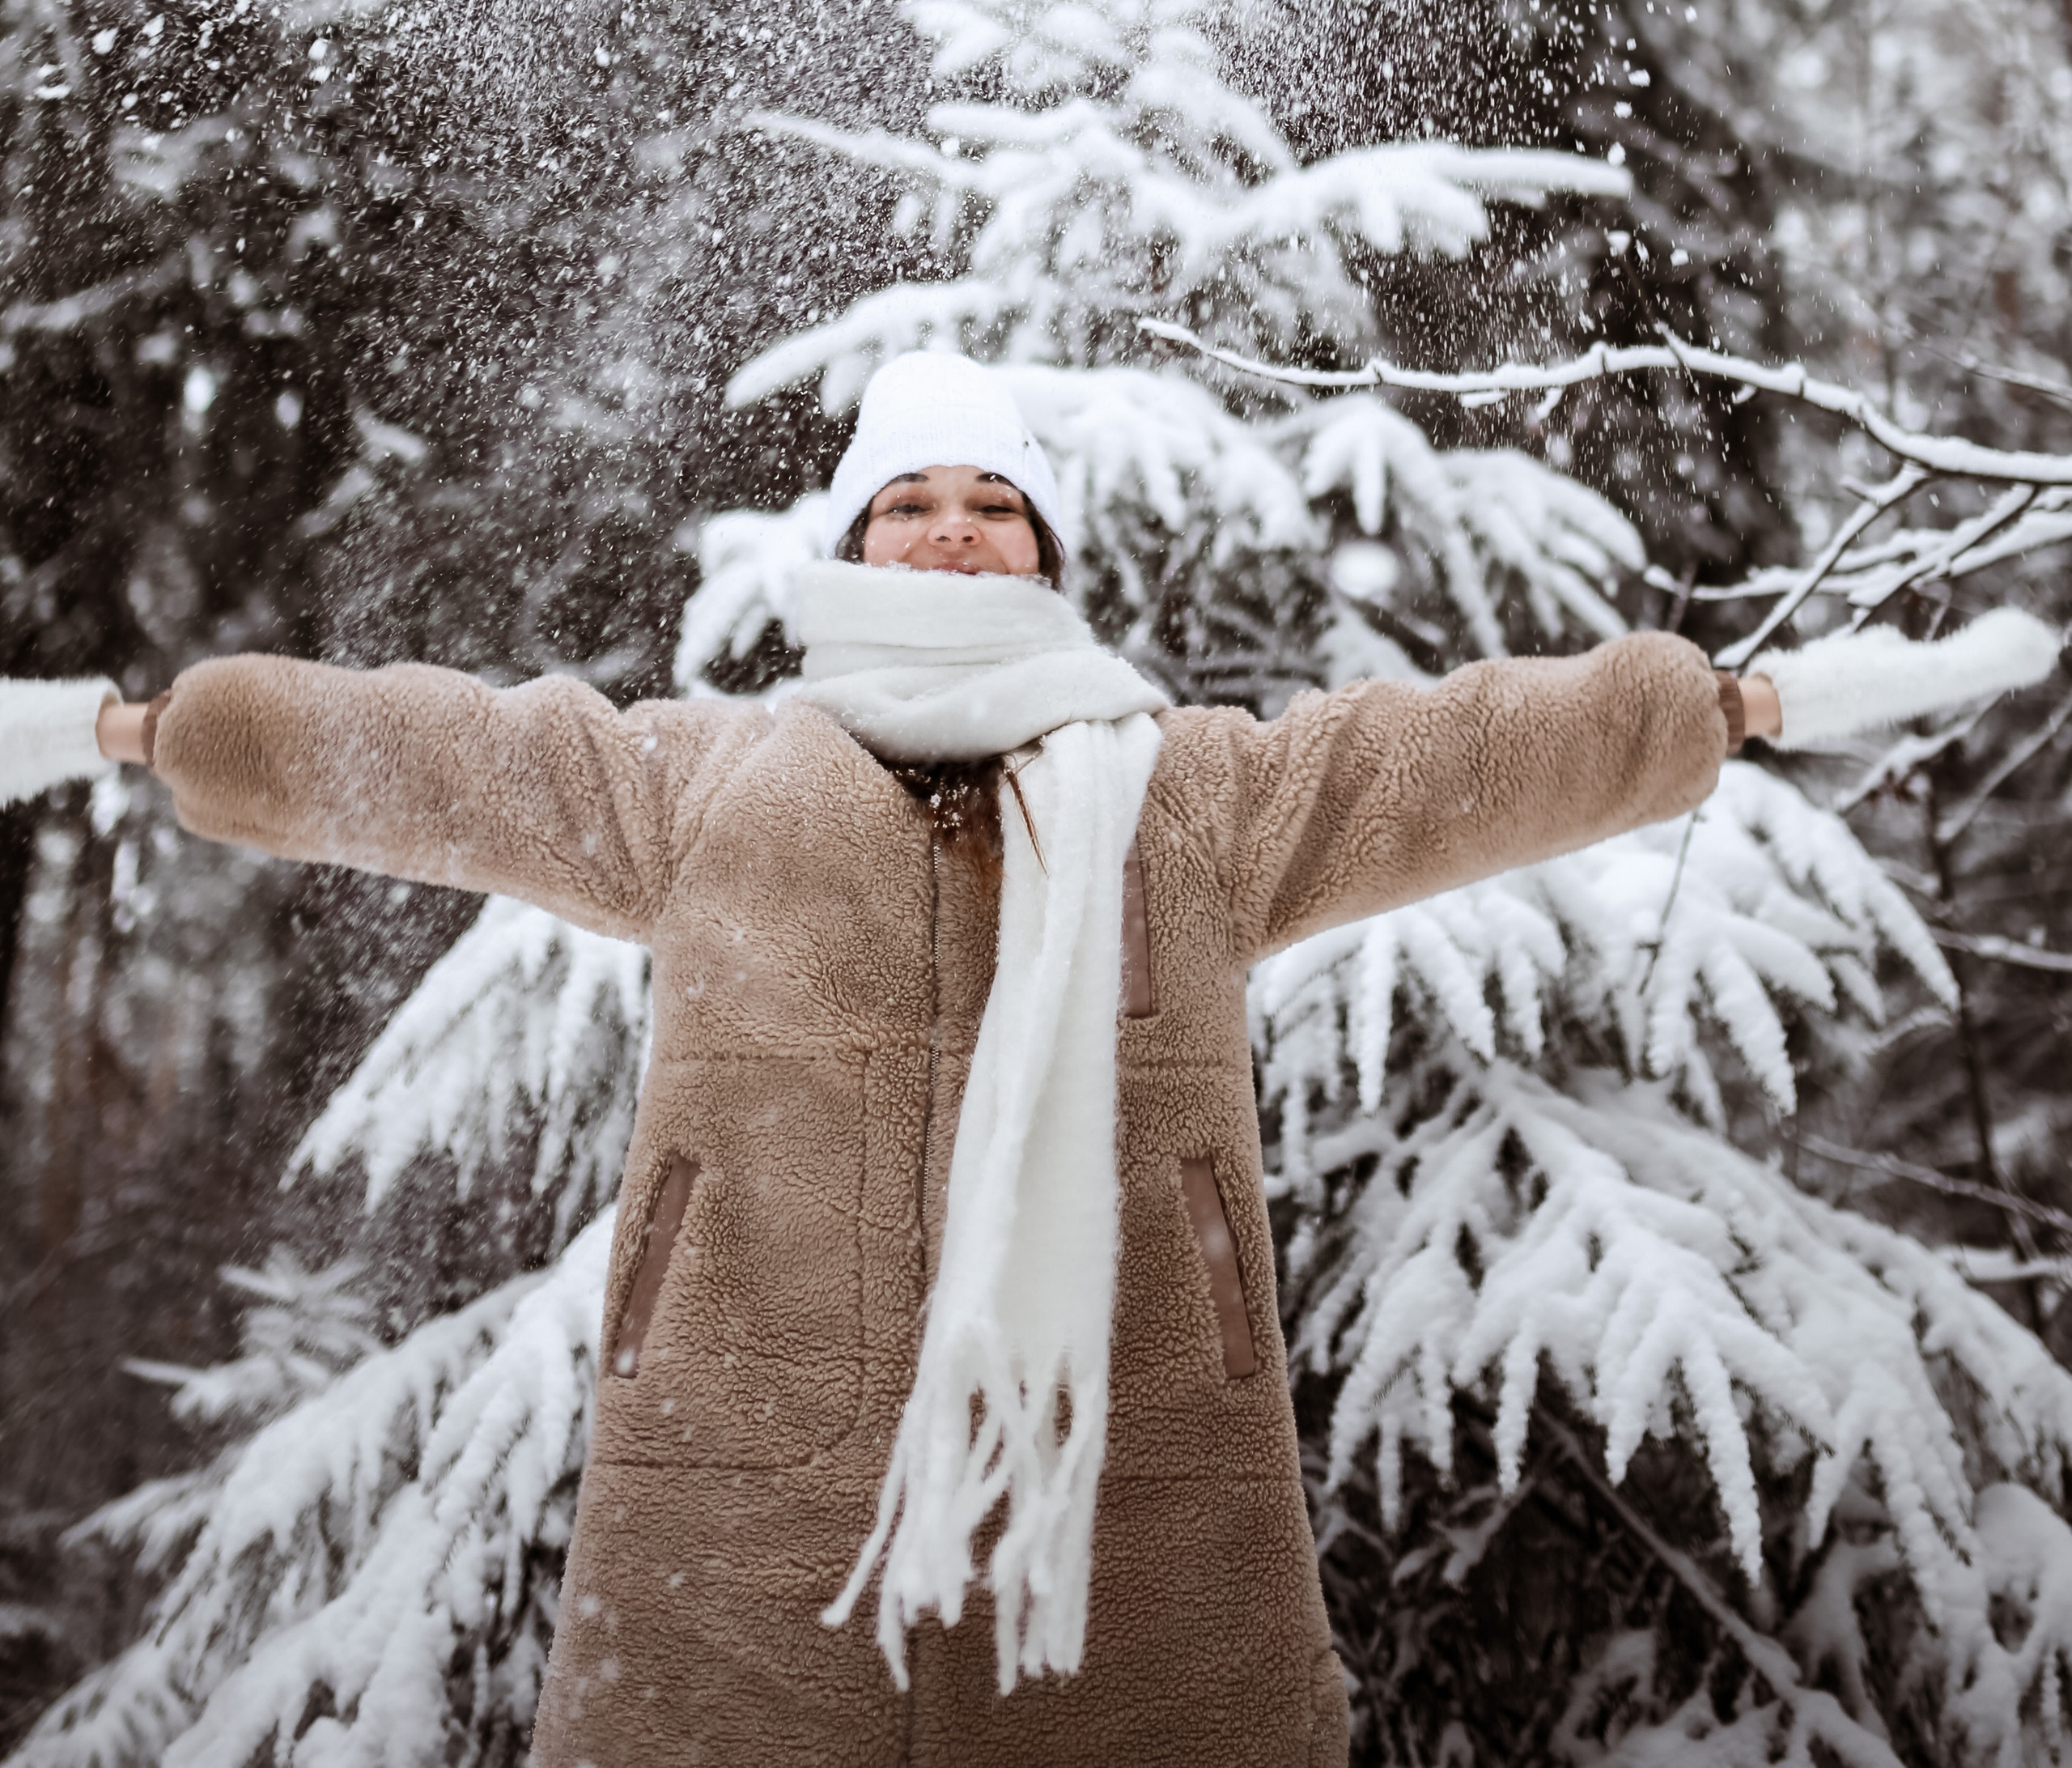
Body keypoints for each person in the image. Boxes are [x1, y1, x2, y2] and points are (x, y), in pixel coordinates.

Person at [13, 351, 1777, 1766]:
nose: (953, 535)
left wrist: (1689, 715)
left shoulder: (1185, 796)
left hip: (1137, 1470)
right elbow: (449, 754)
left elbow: (1443, 759)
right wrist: (173, 730)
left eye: (994, 506)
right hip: (748, 1472)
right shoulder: (707, 788)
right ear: (853, 550)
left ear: (1048, 556)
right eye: (911, 504)